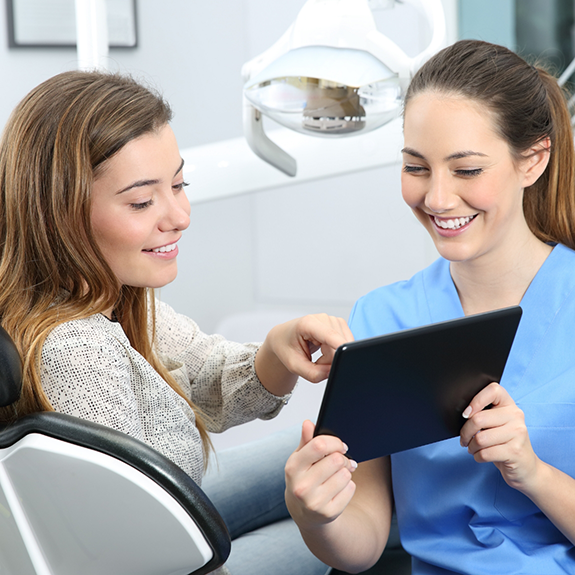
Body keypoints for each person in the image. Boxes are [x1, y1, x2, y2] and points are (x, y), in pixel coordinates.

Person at [0, 70, 353, 575]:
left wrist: (275, 352)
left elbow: (202, 373)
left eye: (179, 184)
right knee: (343, 525)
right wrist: (327, 537)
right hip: (156, 558)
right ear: (60, 213)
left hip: (164, 521)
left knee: (336, 451)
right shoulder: (77, 349)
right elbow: (135, 555)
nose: (180, 215)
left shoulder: (103, 296)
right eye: (142, 202)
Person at [285, 39, 575, 574]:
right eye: (416, 168)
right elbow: (365, 540)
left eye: (466, 170)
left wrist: (531, 471)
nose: (437, 199)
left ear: (532, 160)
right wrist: (315, 515)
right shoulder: (381, 318)